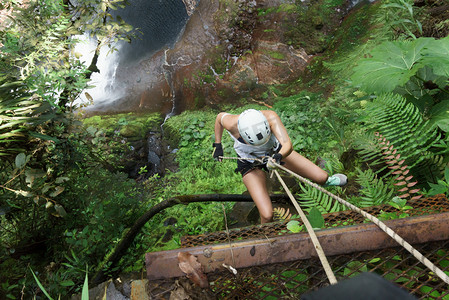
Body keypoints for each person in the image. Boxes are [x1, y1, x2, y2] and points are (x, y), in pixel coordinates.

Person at [212, 109, 347, 224]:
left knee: (321, 177)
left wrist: (278, 157)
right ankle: (266, 236)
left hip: (276, 153)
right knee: (267, 215)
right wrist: (218, 145)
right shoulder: (231, 123)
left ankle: (328, 181)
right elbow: (219, 118)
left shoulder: (271, 117)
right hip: (250, 162)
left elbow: (287, 144)